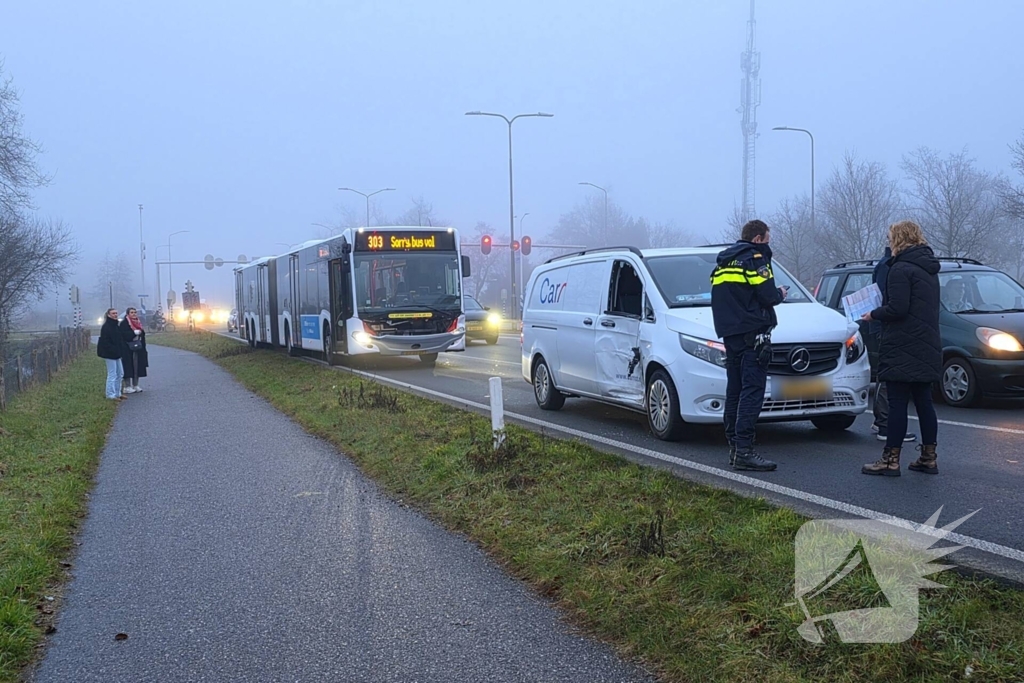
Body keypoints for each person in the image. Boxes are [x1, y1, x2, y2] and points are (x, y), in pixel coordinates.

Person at [860, 220, 941, 476]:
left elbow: (898, 308)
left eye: (890, 237)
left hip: (902, 344)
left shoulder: (900, 269)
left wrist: (873, 313)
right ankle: (929, 457)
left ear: (898, 239)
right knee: (924, 403)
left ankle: (890, 460)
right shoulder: (929, 268)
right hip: (927, 343)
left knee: (896, 404)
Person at [711, 219, 789, 472]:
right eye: (767, 240)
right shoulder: (755, 259)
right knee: (752, 391)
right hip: (753, 334)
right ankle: (744, 451)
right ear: (757, 239)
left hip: (731, 334)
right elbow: (767, 296)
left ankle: (734, 448)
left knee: (734, 391)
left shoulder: (723, 262)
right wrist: (780, 294)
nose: (768, 244)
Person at [868, 246, 917, 444]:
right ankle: (885, 424)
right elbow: (886, 299)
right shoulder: (889, 266)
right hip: (885, 326)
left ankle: (882, 420)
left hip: (884, 324)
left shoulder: (887, 264)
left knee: (887, 374)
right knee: (889, 375)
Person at [97, 308, 126, 401]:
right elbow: (105, 342)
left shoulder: (116, 325)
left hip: (117, 353)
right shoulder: (106, 327)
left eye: (116, 313)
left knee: (120, 373)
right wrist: (113, 350)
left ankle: (118, 393)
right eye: (113, 313)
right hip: (110, 354)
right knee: (112, 374)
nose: (115, 315)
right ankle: (110, 394)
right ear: (108, 315)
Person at [119, 307, 149, 393]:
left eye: (135, 312)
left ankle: (136, 384)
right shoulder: (124, 323)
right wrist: (133, 333)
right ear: (128, 314)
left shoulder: (139, 322)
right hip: (127, 349)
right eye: (132, 312)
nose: (134, 314)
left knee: (137, 366)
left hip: (138, 348)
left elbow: (142, 334)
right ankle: (127, 386)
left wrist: (141, 334)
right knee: (128, 366)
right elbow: (123, 335)